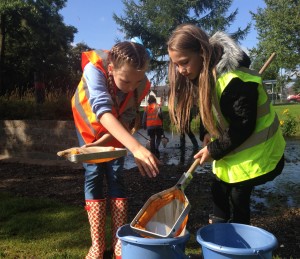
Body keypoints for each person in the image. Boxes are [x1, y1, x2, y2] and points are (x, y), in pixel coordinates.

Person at [167, 24, 285, 225]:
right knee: (218, 189)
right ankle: (218, 228)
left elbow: (242, 126)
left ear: (202, 53)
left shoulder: (234, 82)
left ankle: (240, 238)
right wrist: (205, 131)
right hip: (235, 150)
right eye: (176, 64)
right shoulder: (203, 76)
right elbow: (210, 108)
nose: (180, 70)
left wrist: (213, 149)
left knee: (238, 195)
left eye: (184, 62)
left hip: (260, 154)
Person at [71, 39, 160, 259]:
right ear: (111, 69)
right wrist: (136, 147)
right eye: (126, 81)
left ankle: (119, 241)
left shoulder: (140, 81)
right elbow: (101, 110)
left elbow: (128, 116)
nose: (132, 87)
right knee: (93, 174)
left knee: (116, 175)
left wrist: (106, 142)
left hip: (117, 131)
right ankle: (97, 245)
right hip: (89, 128)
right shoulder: (95, 69)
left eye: (137, 81)